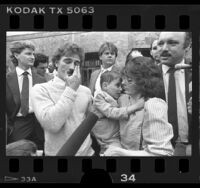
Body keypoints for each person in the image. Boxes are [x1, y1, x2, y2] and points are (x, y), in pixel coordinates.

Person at [30, 43, 94, 156]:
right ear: (56, 63)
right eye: (67, 61)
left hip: (87, 152)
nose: (72, 67)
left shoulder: (85, 91)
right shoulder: (40, 89)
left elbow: (89, 122)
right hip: (58, 154)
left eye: (77, 63)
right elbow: (51, 124)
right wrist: (71, 90)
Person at [104, 56, 174, 156]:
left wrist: (121, 152)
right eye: (124, 78)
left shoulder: (154, 104)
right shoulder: (122, 99)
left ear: (144, 82)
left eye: (129, 80)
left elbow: (162, 153)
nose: (123, 83)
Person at [92, 70, 144, 153]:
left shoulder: (118, 98)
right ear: (105, 85)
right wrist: (136, 107)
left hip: (117, 137)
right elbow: (112, 112)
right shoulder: (100, 98)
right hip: (108, 139)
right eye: (117, 85)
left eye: (121, 86)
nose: (120, 89)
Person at [157, 32, 192, 156]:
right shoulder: (149, 76)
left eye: (172, 43)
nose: (164, 48)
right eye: (161, 43)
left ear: (187, 46)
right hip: (159, 148)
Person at [6, 41, 46, 149]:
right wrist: (9, 128)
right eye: (28, 54)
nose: (32, 57)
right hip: (18, 126)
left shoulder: (42, 80)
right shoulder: (7, 79)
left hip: (39, 126)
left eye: (33, 54)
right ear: (16, 55)